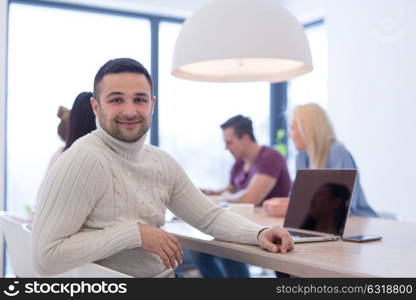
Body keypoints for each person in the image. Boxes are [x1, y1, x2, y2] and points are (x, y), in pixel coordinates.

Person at [32, 58, 294, 278]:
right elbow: (46, 256)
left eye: (140, 99)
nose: (130, 110)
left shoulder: (160, 161)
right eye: (116, 100)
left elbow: (209, 217)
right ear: (96, 106)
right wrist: (133, 234)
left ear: (152, 104)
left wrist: (258, 232)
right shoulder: (82, 160)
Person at [192, 115, 292, 278]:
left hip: (271, 228)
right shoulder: (239, 163)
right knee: (199, 252)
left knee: (229, 249)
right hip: (246, 222)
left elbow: (249, 198)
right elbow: (231, 189)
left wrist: (226, 196)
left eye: (229, 142)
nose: (226, 148)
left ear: (245, 138)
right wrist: (214, 193)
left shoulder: (270, 158)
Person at [264, 103, 378, 218]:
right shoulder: (302, 156)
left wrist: (294, 208)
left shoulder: (337, 152)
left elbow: (345, 206)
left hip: (358, 222)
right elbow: (298, 199)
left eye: (293, 128)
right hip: (321, 224)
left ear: (308, 129)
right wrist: (285, 204)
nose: (289, 135)